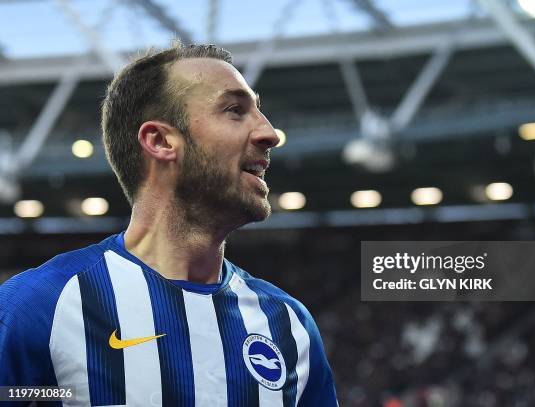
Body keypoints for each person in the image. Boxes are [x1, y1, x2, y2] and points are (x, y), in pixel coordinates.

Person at [0, 43, 337, 406]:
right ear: (160, 141)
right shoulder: (39, 307)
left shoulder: (288, 325)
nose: (269, 133)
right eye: (235, 110)